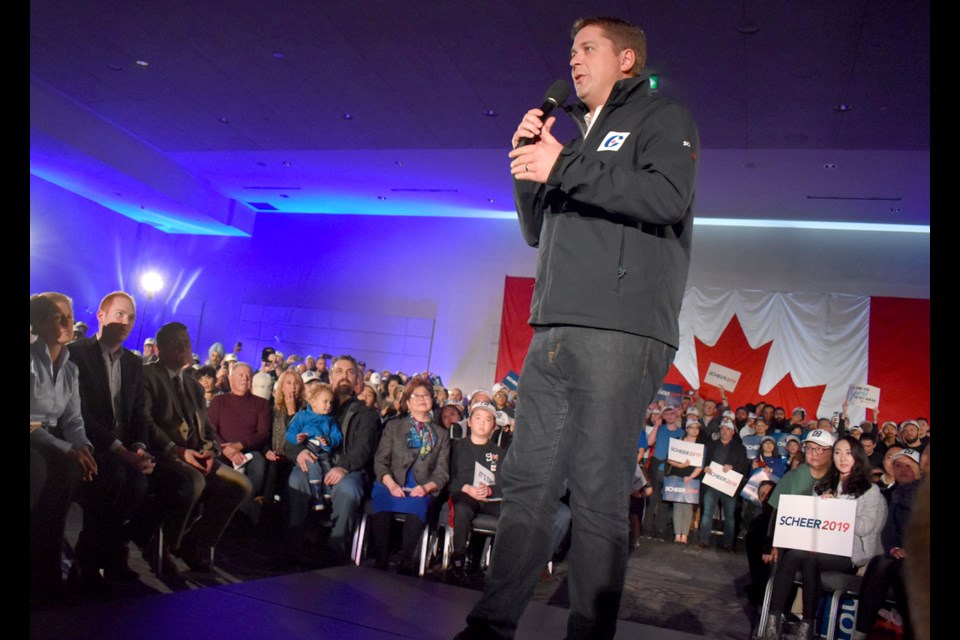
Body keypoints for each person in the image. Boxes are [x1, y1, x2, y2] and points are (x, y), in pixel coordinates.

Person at [458, 15, 699, 640]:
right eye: (570, 50)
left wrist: (563, 164)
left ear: (626, 60)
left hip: (620, 331)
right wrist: (526, 169)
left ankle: (589, 633)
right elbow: (538, 230)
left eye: (588, 48)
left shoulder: (660, 119)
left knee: (596, 492)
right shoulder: (575, 140)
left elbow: (666, 198)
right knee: (529, 482)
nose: (573, 59)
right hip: (553, 329)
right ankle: (491, 624)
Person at [141, 322, 252, 572]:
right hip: (165, 455)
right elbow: (145, 422)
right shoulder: (147, 376)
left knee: (240, 484)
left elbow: (208, 428)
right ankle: (165, 546)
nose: (184, 348)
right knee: (193, 481)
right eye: (176, 343)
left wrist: (211, 450)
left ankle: (193, 540)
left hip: (198, 455)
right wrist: (178, 451)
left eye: (187, 343)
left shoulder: (194, 385)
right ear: (159, 349)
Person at [66, 291, 155, 587]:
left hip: (124, 449)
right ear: (101, 316)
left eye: (131, 317)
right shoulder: (77, 353)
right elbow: (79, 411)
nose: (126, 321)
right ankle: (93, 558)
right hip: (89, 443)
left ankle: (108, 552)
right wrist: (120, 450)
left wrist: (140, 448)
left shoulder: (132, 362)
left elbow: (139, 413)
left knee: (140, 482)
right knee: (114, 476)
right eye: (119, 314)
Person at [761, 436, 886, 640]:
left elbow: (866, 528)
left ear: (858, 457)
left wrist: (839, 508)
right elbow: (812, 520)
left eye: (848, 453)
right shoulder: (824, 485)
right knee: (793, 554)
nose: (842, 458)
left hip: (849, 555)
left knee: (810, 559)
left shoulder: (869, 490)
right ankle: (773, 620)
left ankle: (807, 623)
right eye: (838, 453)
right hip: (820, 547)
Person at [30, 292, 99, 601]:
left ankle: (55, 567)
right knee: (46, 467)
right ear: (39, 322)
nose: (69, 323)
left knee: (79, 467)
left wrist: (82, 446)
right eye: (60, 317)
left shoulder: (70, 368)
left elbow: (73, 418)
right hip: (34, 439)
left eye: (70, 316)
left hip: (49, 440)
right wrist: (65, 448)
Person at [279, 355, 380, 565]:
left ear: (357, 381)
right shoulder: (314, 405)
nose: (344, 376)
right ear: (331, 375)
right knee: (297, 480)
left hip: (348, 468)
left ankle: (335, 551)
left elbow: (364, 448)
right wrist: (299, 452)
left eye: (350, 372)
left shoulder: (366, 414)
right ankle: (293, 544)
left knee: (348, 490)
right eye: (340, 371)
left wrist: (343, 467)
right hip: (313, 461)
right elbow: (291, 437)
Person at [369, 378, 450, 575]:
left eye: (426, 395)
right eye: (417, 396)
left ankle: (406, 560)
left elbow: (442, 473)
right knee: (381, 495)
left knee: (418, 503)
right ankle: (381, 558)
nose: (422, 399)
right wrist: (390, 483)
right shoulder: (394, 427)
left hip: (422, 485)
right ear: (407, 403)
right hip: (390, 481)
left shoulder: (441, 434)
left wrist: (426, 488)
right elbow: (380, 462)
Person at [852, 448, 922, 640]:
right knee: (880, 562)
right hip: (898, 555)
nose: (902, 469)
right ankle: (861, 632)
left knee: (901, 568)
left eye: (908, 465)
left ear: (920, 470)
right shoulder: (893, 495)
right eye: (898, 465)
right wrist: (894, 548)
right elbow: (888, 530)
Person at [207, 361, 272, 526]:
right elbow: (211, 430)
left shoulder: (262, 404)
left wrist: (240, 446)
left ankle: (241, 515)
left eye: (249, 376)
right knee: (218, 468)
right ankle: (218, 514)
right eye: (241, 375)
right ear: (231, 378)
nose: (245, 379)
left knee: (258, 467)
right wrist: (227, 449)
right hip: (222, 449)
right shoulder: (219, 401)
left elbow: (263, 433)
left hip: (249, 451)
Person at [447, 401, 504, 582]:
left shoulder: (499, 452)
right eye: (478, 418)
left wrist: (489, 489)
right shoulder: (455, 447)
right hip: (463, 494)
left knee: (511, 515)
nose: (482, 423)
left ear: (494, 426)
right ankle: (458, 557)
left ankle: (495, 564)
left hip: (490, 498)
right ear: (469, 422)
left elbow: (505, 481)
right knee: (462, 510)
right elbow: (447, 476)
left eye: (488, 420)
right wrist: (466, 488)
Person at [285, 382, 343, 511]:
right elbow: (290, 431)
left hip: (323, 452)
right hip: (309, 450)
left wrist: (328, 441)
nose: (329, 406)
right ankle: (317, 498)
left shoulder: (330, 420)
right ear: (313, 402)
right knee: (314, 467)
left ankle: (327, 497)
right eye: (325, 402)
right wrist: (297, 437)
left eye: (331, 402)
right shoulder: (302, 416)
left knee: (327, 469)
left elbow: (337, 436)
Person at [696, 417, 749, 550]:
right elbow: (704, 462)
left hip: (729, 486)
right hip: (711, 485)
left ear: (733, 432)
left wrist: (732, 468)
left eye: (728, 429)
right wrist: (706, 468)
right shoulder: (711, 445)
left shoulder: (740, 449)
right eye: (723, 428)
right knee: (707, 513)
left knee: (729, 516)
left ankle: (728, 543)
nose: (725, 431)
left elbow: (743, 468)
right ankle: (704, 540)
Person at [664, 418, 704, 544]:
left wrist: (691, 476)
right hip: (676, 475)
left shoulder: (700, 445)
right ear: (686, 429)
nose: (694, 430)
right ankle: (677, 534)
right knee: (677, 505)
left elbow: (701, 465)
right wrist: (680, 466)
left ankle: (685, 535)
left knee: (688, 506)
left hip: (692, 478)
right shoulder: (678, 441)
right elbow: (669, 459)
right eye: (692, 427)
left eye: (697, 427)